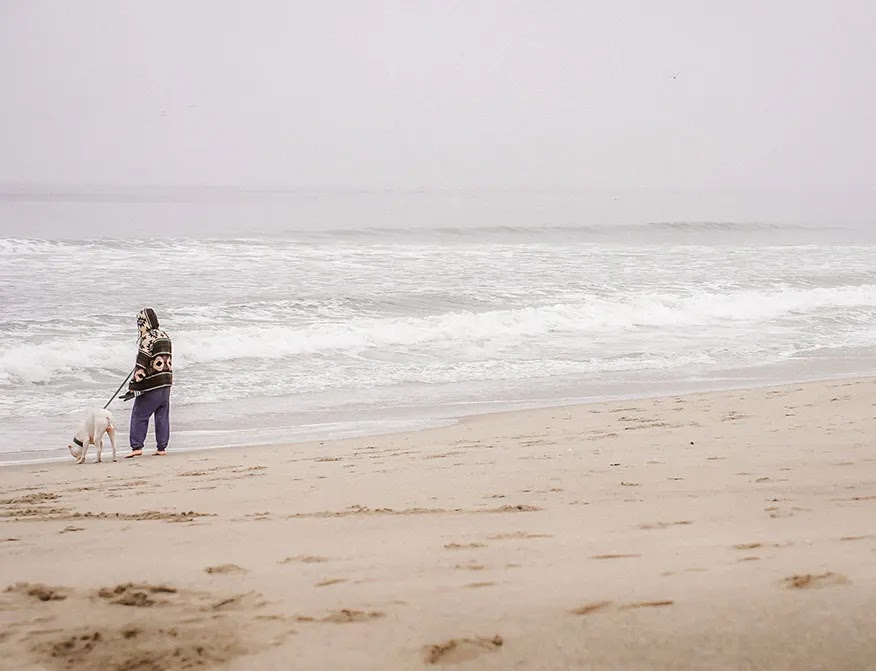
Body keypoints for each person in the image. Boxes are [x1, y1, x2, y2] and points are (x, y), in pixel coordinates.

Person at [120, 307, 173, 457]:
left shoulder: (147, 338)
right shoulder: (165, 336)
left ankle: (136, 447)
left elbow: (141, 367)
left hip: (153, 384)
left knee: (139, 414)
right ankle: (161, 448)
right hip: (166, 382)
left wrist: (133, 386)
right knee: (162, 416)